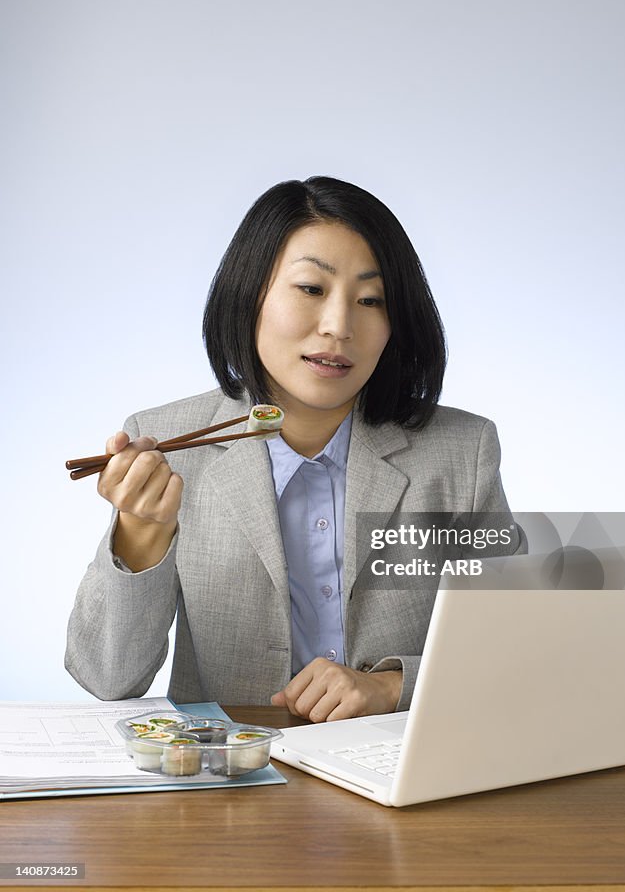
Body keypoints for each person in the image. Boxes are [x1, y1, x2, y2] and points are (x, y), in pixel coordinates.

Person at [66, 177, 524, 721]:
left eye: (371, 300)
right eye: (311, 289)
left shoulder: (459, 452)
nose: (339, 327)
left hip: (398, 776)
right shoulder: (171, 444)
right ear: (251, 292)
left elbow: (518, 645)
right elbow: (106, 678)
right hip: (227, 780)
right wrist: (141, 532)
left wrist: (394, 686)